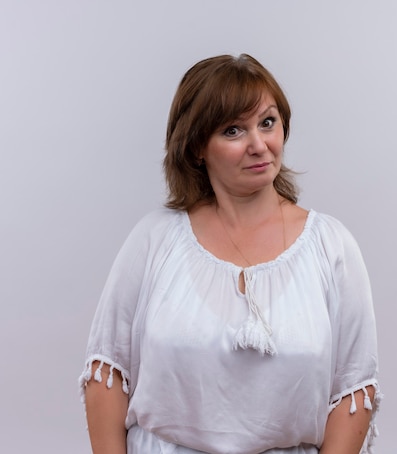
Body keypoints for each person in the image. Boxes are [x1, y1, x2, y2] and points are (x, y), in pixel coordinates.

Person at [79, 53, 381, 454]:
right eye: (234, 130)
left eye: (268, 122)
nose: (259, 145)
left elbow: (352, 390)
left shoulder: (331, 246)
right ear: (197, 147)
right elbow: (108, 370)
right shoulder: (155, 239)